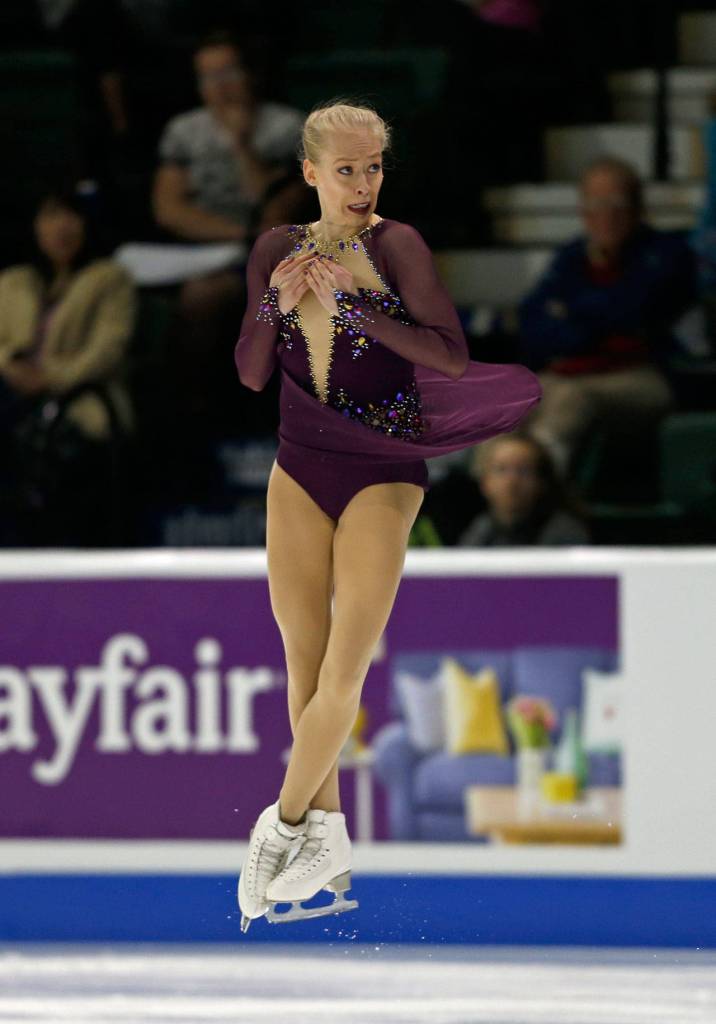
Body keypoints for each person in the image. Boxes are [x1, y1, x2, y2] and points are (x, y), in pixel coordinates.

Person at [232, 98, 541, 930]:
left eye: (374, 166)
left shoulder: (397, 246)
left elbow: (449, 353)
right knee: (303, 672)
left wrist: (360, 309)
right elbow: (253, 374)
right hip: (298, 468)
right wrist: (277, 301)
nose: (365, 182)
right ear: (309, 173)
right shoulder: (275, 249)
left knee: (344, 674)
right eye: (347, 168)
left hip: (384, 470)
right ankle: (327, 839)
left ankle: (281, 829)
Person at [152, 29, 309, 433]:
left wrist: (241, 145)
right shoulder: (184, 131)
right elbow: (169, 209)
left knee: (206, 296)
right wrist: (237, 236)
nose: (218, 88)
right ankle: (187, 421)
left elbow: (274, 211)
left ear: (250, 75)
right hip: (204, 249)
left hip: (275, 256)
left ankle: (208, 415)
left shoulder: (286, 127)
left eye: (227, 74)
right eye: (207, 78)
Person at [517, 155, 697, 477]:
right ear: (582, 211)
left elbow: (631, 309)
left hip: (646, 376)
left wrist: (570, 316)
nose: (606, 215)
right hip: (570, 372)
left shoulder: (667, 254)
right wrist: (586, 329)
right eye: (595, 203)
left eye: (617, 203)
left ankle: (540, 500)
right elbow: (531, 325)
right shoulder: (570, 258)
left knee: (570, 400)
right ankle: (479, 503)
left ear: (638, 208)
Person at [0, 189, 135, 543]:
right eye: (50, 216)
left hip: (82, 399)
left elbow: (108, 348)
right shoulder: (13, 281)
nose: (62, 227)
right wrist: (9, 365)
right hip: (12, 394)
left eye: (71, 216)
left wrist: (49, 379)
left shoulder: (110, 278)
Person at [458, 433, 590, 546]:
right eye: (501, 469)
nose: (512, 482)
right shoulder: (481, 528)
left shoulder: (564, 533)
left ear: (542, 482)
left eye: (524, 471)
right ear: (484, 483)